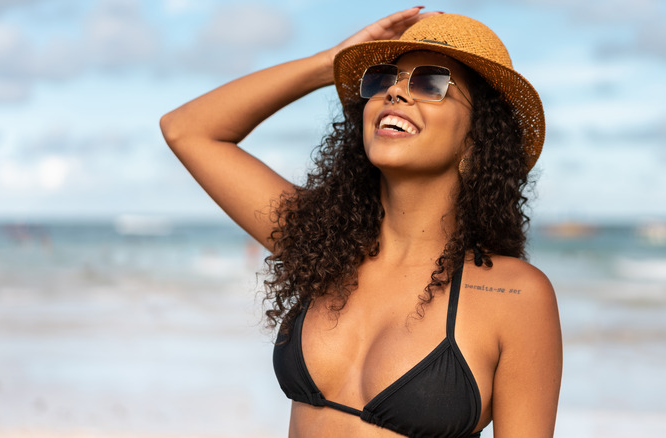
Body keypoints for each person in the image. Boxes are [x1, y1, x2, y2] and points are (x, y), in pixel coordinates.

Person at [160, 7, 562, 438]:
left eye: (431, 83)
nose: (396, 93)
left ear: (476, 142)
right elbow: (186, 129)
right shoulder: (322, 242)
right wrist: (330, 62)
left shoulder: (514, 296)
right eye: (382, 80)